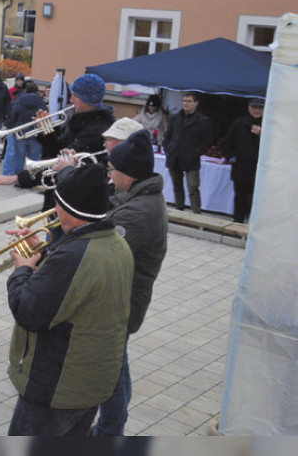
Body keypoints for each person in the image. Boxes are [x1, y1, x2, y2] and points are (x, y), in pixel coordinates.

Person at [5, 163, 134, 436]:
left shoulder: (74, 256)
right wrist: (41, 256)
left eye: (58, 204)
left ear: (67, 209)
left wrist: (22, 269)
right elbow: (71, 293)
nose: (55, 210)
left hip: (57, 388)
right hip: (88, 384)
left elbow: (28, 310)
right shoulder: (116, 243)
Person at [94, 130, 168, 436]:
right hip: (121, 300)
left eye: (113, 171)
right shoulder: (139, 197)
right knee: (115, 366)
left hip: (121, 304)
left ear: (129, 175)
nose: (110, 176)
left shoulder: (139, 212)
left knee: (110, 369)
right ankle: (111, 426)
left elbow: (103, 251)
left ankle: (110, 430)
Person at [0, 74, 115, 211]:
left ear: (87, 99)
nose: (71, 100)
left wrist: (16, 179)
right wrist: (46, 131)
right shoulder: (77, 119)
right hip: (58, 196)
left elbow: (59, 163)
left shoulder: (97, 131)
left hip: (72, 202)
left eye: (75, 96)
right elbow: (57, 151)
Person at [163, 92, 214, 213]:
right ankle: (179, 209)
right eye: (184, 101)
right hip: (174, 156)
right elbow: (168, 136)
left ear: (196, 103)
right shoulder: (175, 118)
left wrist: (196, 152)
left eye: (189, 101)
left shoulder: (203, 120)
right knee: (177, 185)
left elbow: (207, 140)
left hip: (191, 158)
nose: (186, 103)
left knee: (193, 186)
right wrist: (168, 149)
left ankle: (196, 213)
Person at [220, 98, 264, 223]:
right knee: (240, 198)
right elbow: (226, 143)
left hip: (260, 169)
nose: (257, 110)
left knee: (258, 199)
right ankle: (237, 223)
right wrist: (232, 158)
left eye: (260, 108)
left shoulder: (269, 125)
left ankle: (255, 225)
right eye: (254, 107)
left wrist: (262, 135)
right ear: (249, 107)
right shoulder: (239, 124)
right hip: (241, 167)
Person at [1, 83, 47, 176]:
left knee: (19, 158)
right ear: (37, 90)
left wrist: (12, 125)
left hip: (21, 133)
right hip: (36, 134)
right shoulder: (41, 101)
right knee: (34, 159)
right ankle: (33, 178)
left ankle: (19, 179)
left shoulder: (20, 99)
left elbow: (14, 115)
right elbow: (43, 116)